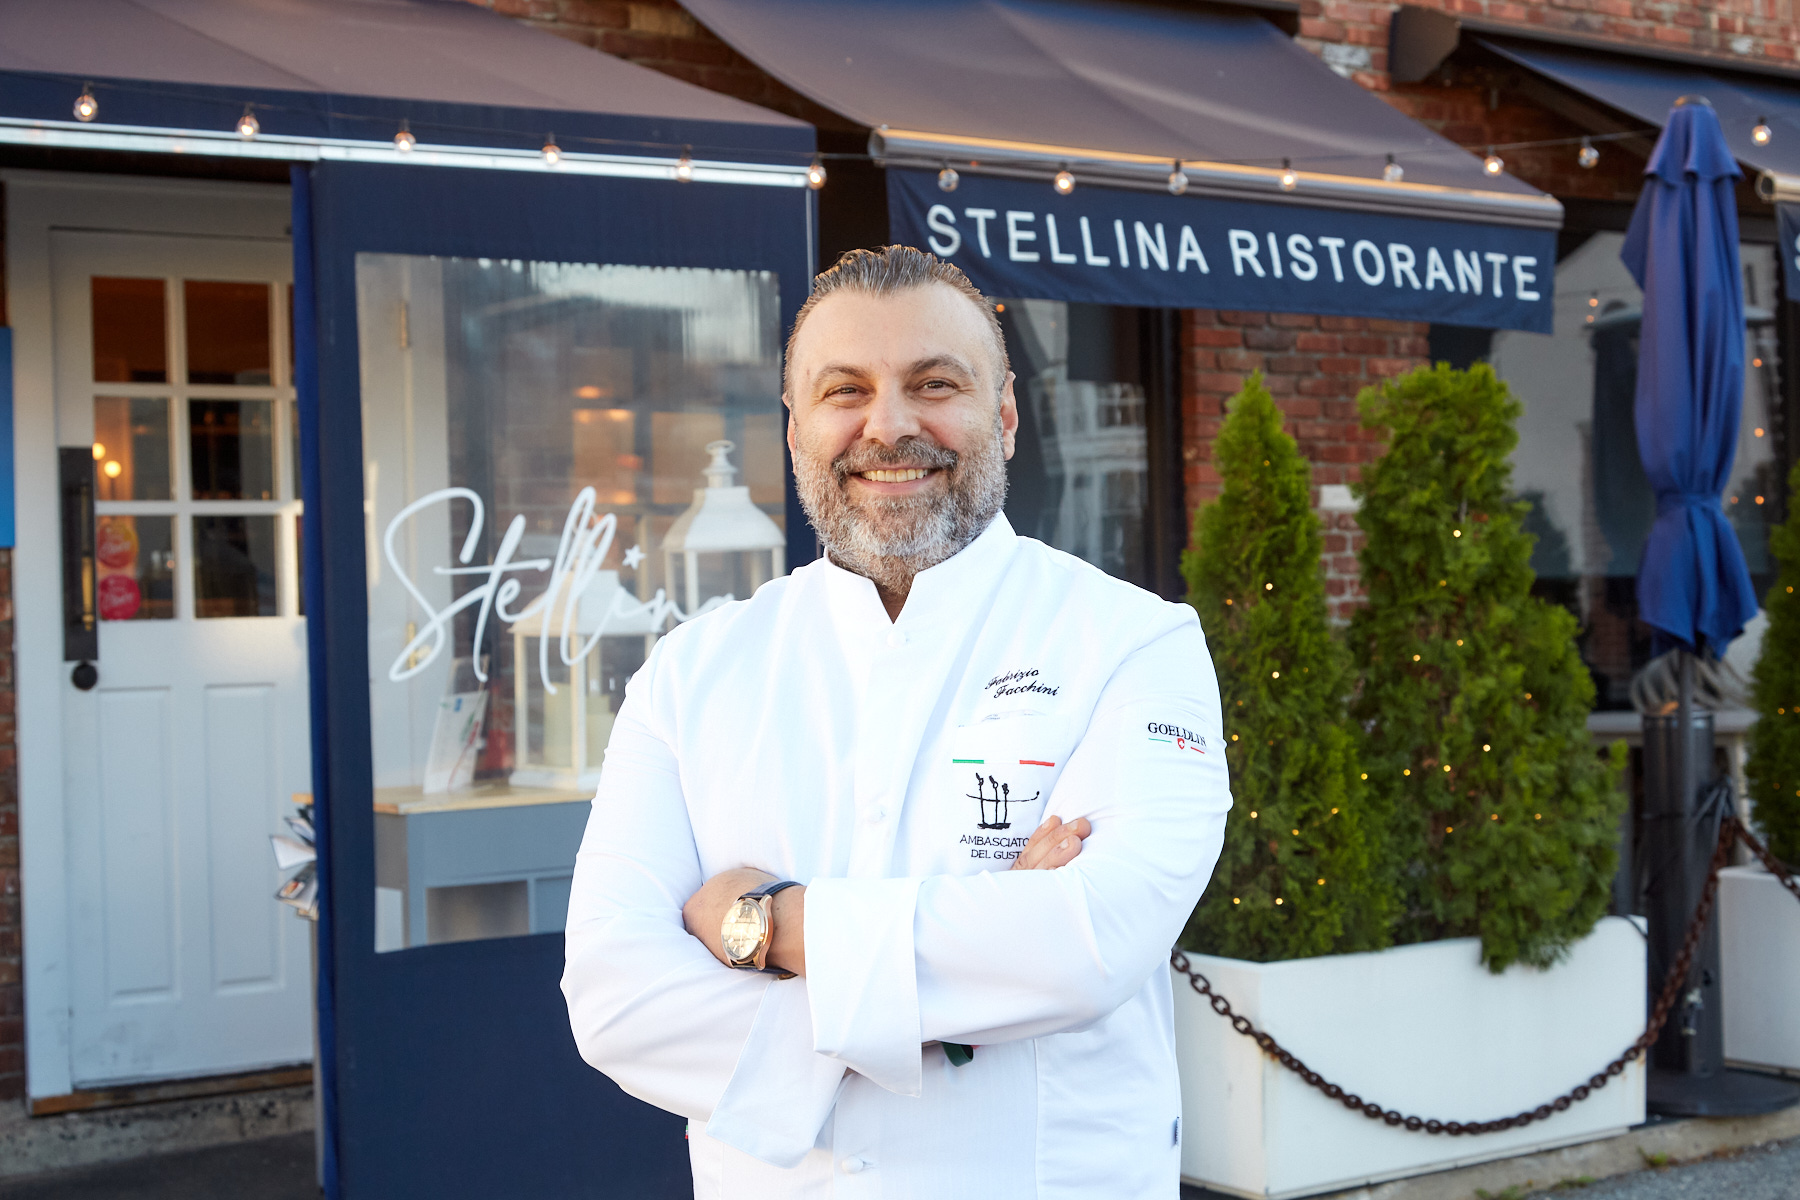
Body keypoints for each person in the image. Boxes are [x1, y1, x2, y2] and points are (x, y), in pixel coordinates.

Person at [562, 246, 1231, 1198]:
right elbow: (614, 999)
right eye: (845, 391)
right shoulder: (691, 674)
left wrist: (764, 927)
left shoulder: (1134, 642)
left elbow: (1091, 938)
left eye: (934, 384)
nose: (890, 424)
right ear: (796, 430)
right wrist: (981, 972)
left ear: (1003, 415)